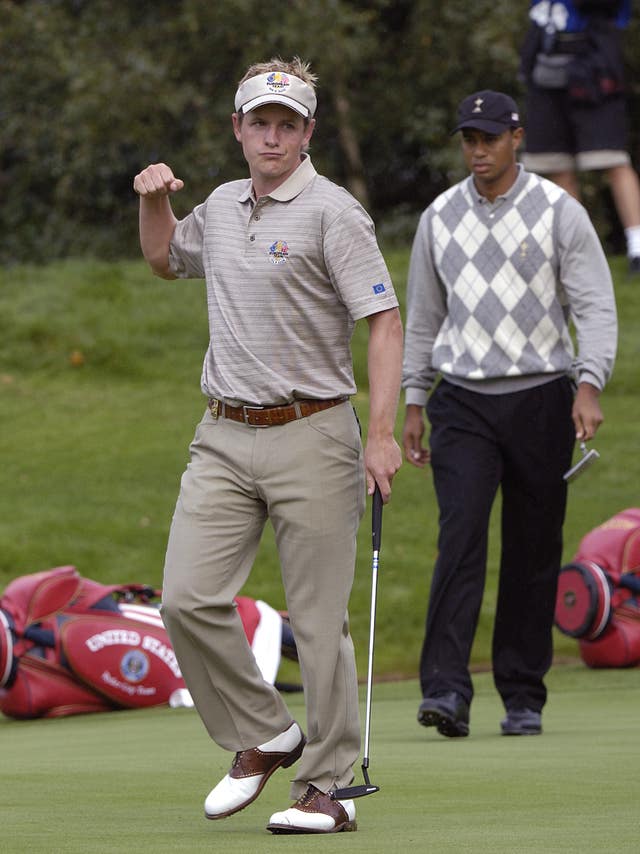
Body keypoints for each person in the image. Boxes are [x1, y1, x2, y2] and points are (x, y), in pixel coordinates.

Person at [133, 57, 403, 834]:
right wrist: (154, 202)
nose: (273, 136)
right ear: (239, 128)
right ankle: (266, 731)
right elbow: (162, 259)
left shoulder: (334, 213)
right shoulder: (218, 206)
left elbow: (382, 321)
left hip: (314, 431)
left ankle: (324, 789)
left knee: (319, 621)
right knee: (186, 597)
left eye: (288, 124)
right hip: (222, 433)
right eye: (261, 123)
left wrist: (379, 433)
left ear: (309, 131)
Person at [401, 90, 617, 739]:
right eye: (469, 138)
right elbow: (422, 319)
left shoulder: (559, 212)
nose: (477, 150)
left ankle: (523, 692)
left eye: (489, 138)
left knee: (532, 547)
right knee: (461, 537)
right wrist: (413, 399)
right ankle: (444, 689)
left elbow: (595, 308)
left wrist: (588, 385)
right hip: (462, 397)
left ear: (516, 138)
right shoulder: (438, 217)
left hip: (543, 395)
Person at [519, 0, 640, 274]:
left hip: (593, 68)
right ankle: (581, 250)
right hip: (545, 71)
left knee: (613, 159)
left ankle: (637, 249)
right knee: (557, 167)